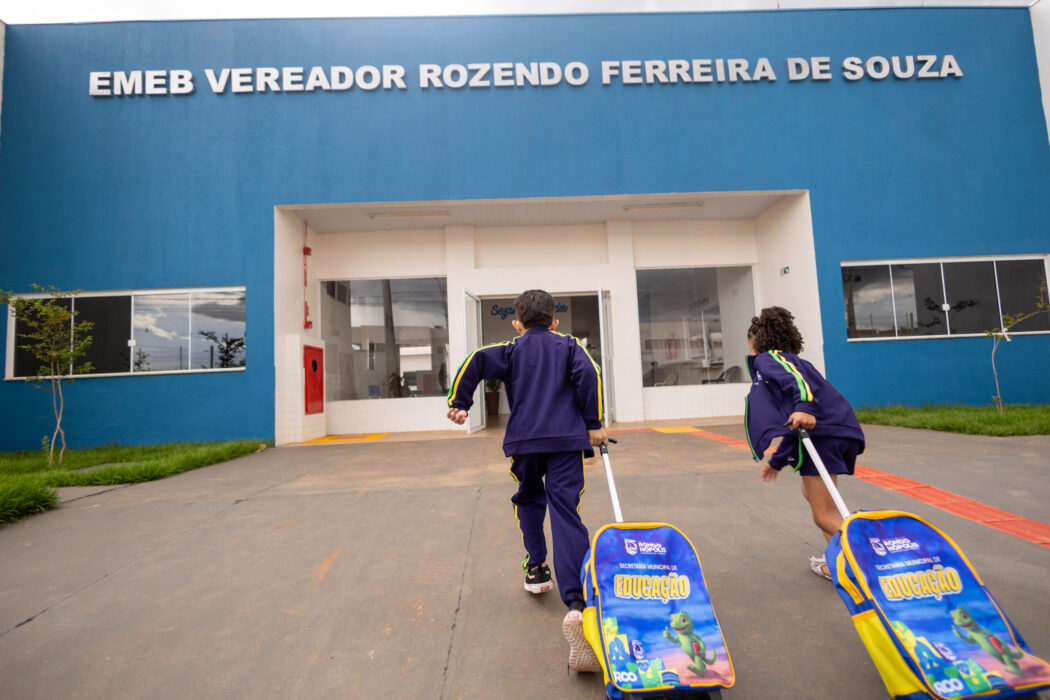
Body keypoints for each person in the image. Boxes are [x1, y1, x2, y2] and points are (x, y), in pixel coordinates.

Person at [446, 289, 606, 671]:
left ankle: (536, 568)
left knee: (530, 500)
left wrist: (459, 402)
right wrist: (594, 424)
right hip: (566, 442)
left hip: (525, 443)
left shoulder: (512, 349)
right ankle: (577, 602)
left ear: (517, 324)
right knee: (565, 511)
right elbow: (590, 375)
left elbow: (474, 361)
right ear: (555, 321)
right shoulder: (570, 346)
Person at [743, 306, 865, 581]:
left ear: (757, 343)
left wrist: (804, 406)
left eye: (750, 346)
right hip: (836, 432)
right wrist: (777, 460)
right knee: (812, 495)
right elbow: (795, 426)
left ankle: (877, 558)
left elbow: (798, 392)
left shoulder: (768, 359)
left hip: (823, 434)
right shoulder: (797, 362)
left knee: (823, 515)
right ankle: (839, 561)